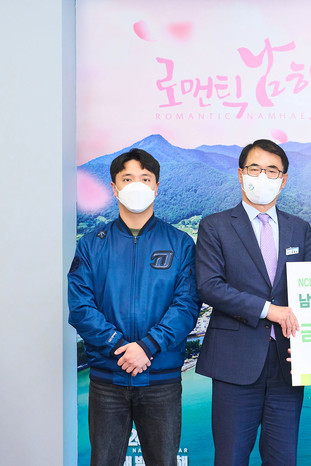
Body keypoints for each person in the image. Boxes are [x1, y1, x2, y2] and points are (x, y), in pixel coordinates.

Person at [68, 148, 200, 466]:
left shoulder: (180, 243)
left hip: (161, 380)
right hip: (107, 380)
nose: (136, 185)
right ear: (114, 188)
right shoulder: (91, 244)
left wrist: (147, 346)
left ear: (156, 186)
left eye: (145, 178)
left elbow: (187, 305)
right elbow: (81, 307)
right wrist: (118, 345)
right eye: (127, 179)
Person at [194, 139, 311, 465]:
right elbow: (209, 286)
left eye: (272, 171)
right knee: (231, 457)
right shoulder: (215, 226)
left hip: (287, 363)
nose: (263, 177)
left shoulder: (299, 229)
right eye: (255, 169)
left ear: (283, 179)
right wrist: (268, 310)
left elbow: (310, 293)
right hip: (235, 363)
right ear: (240, 174)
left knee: (283, 458)